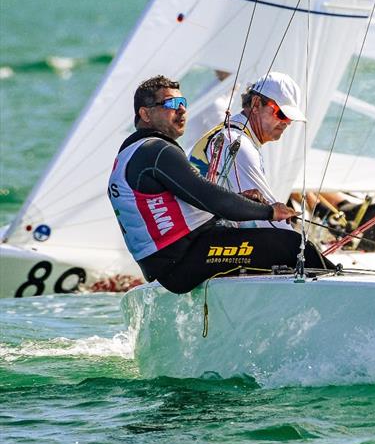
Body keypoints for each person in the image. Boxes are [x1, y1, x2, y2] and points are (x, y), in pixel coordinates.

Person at [107, 75, 332, 294]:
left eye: (183, 103)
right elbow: (211, 198)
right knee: (292, 246)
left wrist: (243, 200)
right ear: (145, 113)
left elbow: (187, 204)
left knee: (275, 247)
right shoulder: (155, 151)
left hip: (181, 258)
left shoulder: (135, 153)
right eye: (171, 104)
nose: (182, 109)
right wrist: (269, 211)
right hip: (185, 260)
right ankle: (337, 293)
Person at [189, 71, 375, 249]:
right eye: (281, 114)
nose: (287, 123)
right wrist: (307, 253)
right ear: (256, 104)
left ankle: (335, 212)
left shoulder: (240, 135)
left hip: (203, 236)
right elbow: (267, 219)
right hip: (197, 243)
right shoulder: (239, 144)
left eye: (290, 118)